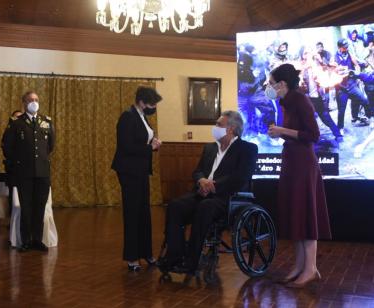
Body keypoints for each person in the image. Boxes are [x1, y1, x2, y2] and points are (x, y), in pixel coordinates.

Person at [162, 111, 257, 274]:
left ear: (231, 129)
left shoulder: (247, 149)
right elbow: (198, 171)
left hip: (228, 197)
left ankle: (192, 260)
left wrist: (213, 185)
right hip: (203, 192)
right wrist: (201, 181)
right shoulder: (210, 148)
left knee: (205, 207)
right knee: (175, 206)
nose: (215, 128)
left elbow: (240, 177)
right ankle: (174, 256)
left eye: (219, 125)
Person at [266, 63, 332, 288]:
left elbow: (312, 135)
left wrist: (282, 131)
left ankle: (311, 268)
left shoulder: (301, 100)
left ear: (282, 84)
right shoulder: (286, 102)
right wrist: (281, 134)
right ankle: (300, 266)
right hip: (291, 161)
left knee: (305, 213)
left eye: (272, 83)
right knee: (295, 212)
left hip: (303, 163)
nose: (269, 86)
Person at [111, 86, 163, 272]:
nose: (153, 107)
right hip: (128, 171)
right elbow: (126, 147)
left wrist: (152, 143)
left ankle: (146, 253)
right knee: (132, 212)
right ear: (141, 102)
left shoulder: (142, 116)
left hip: (140, 170)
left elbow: (141, 141)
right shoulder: (127, 117)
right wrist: (151, 148)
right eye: (152, 103)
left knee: (144, 212)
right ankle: (132, 257)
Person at [3, 92, 55, 252]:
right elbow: (7, 147)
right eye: (30, 100)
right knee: (25, 207)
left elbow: (51, 146)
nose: (34, 102)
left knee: (39, 207)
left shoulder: (46, 122)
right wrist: (18, 164)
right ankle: (25, 240)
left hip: (42, 172)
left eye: (36, 100)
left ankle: (37, 240)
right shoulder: (16, 123)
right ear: (24, 103)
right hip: (24, 173)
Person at [1, 110, 24, 227]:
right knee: (13, 197)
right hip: (13, 169)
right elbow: (6, 150)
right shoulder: (9, 131)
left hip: (26, 170)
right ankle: (13, 221)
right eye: (16, 117)